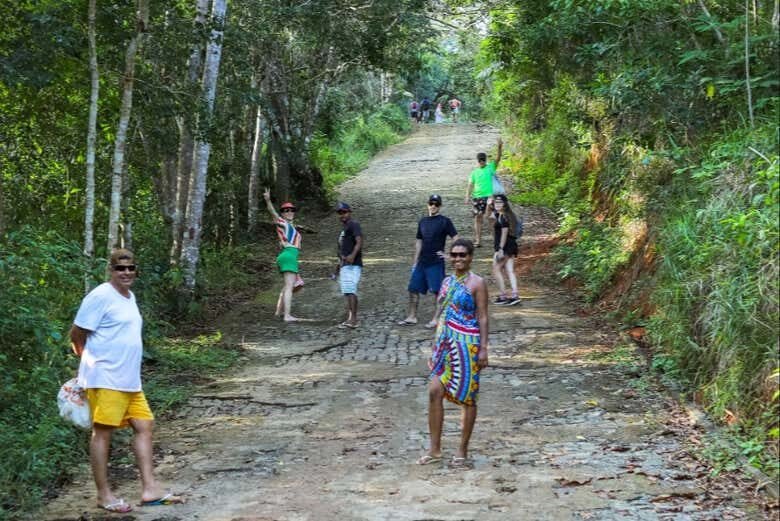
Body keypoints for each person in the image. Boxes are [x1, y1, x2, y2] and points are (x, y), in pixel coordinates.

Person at [70, 249, 182, 513]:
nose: (127, 272)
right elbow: (76, 333)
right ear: (111, 270)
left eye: (131, 268)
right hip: (106, 378)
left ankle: (150, 490)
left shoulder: (129, 297)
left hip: (129, 380)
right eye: (120, 268)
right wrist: (88, 365)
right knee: (103, 433)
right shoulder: (100, 296)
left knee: (145, 426)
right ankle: (104, 495)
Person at [417, 239, 489, 468]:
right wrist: (435, 342)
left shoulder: (478, 283)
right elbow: (442, 309)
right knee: (434, 391)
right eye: (454, 255)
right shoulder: (447, 282)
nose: (458, 259)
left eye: (462, 255)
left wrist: (484, 348)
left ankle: (462, 451)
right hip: (445, 345)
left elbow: (483, 316)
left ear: (470, 257)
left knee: (468, 398)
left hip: (467, 345)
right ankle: (435, 449)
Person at [398, 194, 458, 328]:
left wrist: (449, 255)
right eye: (431, 203)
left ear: (440, 206)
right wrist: (415, 261)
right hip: (422, 262)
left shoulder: (445, 221)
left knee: (437, 291)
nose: (433, 206)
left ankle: (436, 319)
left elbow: (456, 238)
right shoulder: (423, 221)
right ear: (427, 204)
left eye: (436, 204)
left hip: (436, 262)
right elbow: (419, 241)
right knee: (413, 288)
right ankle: (412, 316)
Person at [263, 188, 305, 322]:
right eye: (286, 210)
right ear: (283, 213)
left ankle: (278, 312)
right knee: (289, 286)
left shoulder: (290, 227)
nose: (289, 212)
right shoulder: (283, 223)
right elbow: (273, 213)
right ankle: (287, 315)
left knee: (293, 285)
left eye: (291, 210)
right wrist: (268, 200)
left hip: (289, 256)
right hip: (288, 255)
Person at [464, 136, 503, 248]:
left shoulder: (490, 167)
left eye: (483, 160)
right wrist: (467, 196)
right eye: (480, 160)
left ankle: (496, 240)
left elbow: (498, 159)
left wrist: (499, 147)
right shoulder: (474, 172)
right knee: (478, 218)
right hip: (477, 197)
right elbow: (470, 185)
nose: (481, 162)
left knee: (490, 218)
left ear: (485, 160)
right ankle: (478, 240)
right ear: (477, 161)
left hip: (489, 197)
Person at [489, 194, 521, 305]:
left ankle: (503, 295)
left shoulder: (504, 217)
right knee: (509, 270)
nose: (497, 204)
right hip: (510, 245)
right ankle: (515, 294)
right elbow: (489, 218)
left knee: (496, 269)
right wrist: (489, 206)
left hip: (506, 246)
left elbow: (504, 233)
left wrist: (500, 249)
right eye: (496, 202)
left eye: (500, 202)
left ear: (505, 204)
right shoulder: (501, 215)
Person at [335, 202, 363, 328]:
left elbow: (359, 241)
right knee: (347, 291)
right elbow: (341, 249)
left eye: (344, 212)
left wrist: (352, 255)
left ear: (349, 212)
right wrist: (338, 267)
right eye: (340, 213)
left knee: (351, 290)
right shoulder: (344, 229)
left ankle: (354, 320)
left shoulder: (354, 224)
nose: (342, 215)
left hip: (353, 264)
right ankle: (350, 318)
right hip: (345, 265)